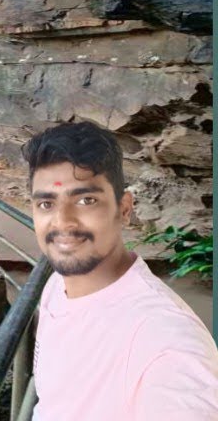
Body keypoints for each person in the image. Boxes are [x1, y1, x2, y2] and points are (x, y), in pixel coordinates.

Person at [25, 121, 218, 419]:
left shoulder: (168, 345)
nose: (63, 221)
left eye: (86, 200)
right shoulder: (56, 286)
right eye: (46, 204)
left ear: (124, 209)